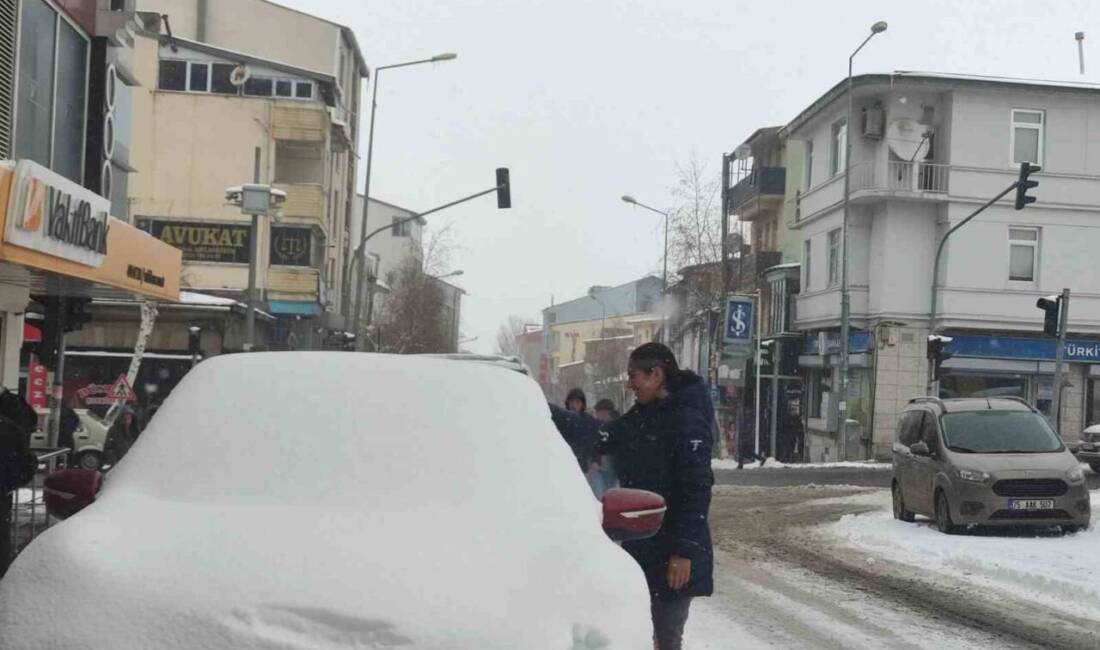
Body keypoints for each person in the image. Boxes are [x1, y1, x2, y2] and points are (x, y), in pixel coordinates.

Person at [599, 343, 714, 649]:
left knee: (665, 637)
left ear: (656, 375)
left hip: (673, 552)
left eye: (633, 375)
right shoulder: (644, 415)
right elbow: (604, 436)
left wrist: (684, 552)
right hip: (645, 544)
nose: (630, 383)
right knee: (642, 633)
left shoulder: (687, 420)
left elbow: (696, 490)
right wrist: (552, 417)